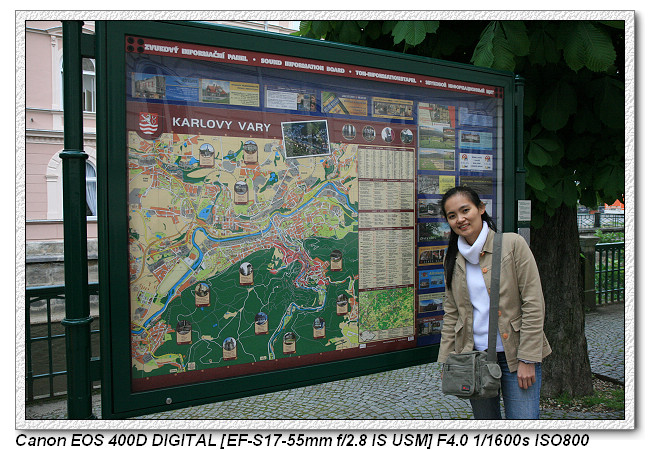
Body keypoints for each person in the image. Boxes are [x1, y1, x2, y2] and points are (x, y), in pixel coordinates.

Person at [437, 186, 551, 419]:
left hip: (515, 356)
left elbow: (533, 303)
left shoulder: (512, 245)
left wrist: (528, 358)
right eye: (452, 215)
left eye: (465, 210)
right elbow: (452, 313)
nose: (460, 219)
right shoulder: (452, 258)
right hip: (474, 358)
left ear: (481, 209)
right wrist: (449, 361)